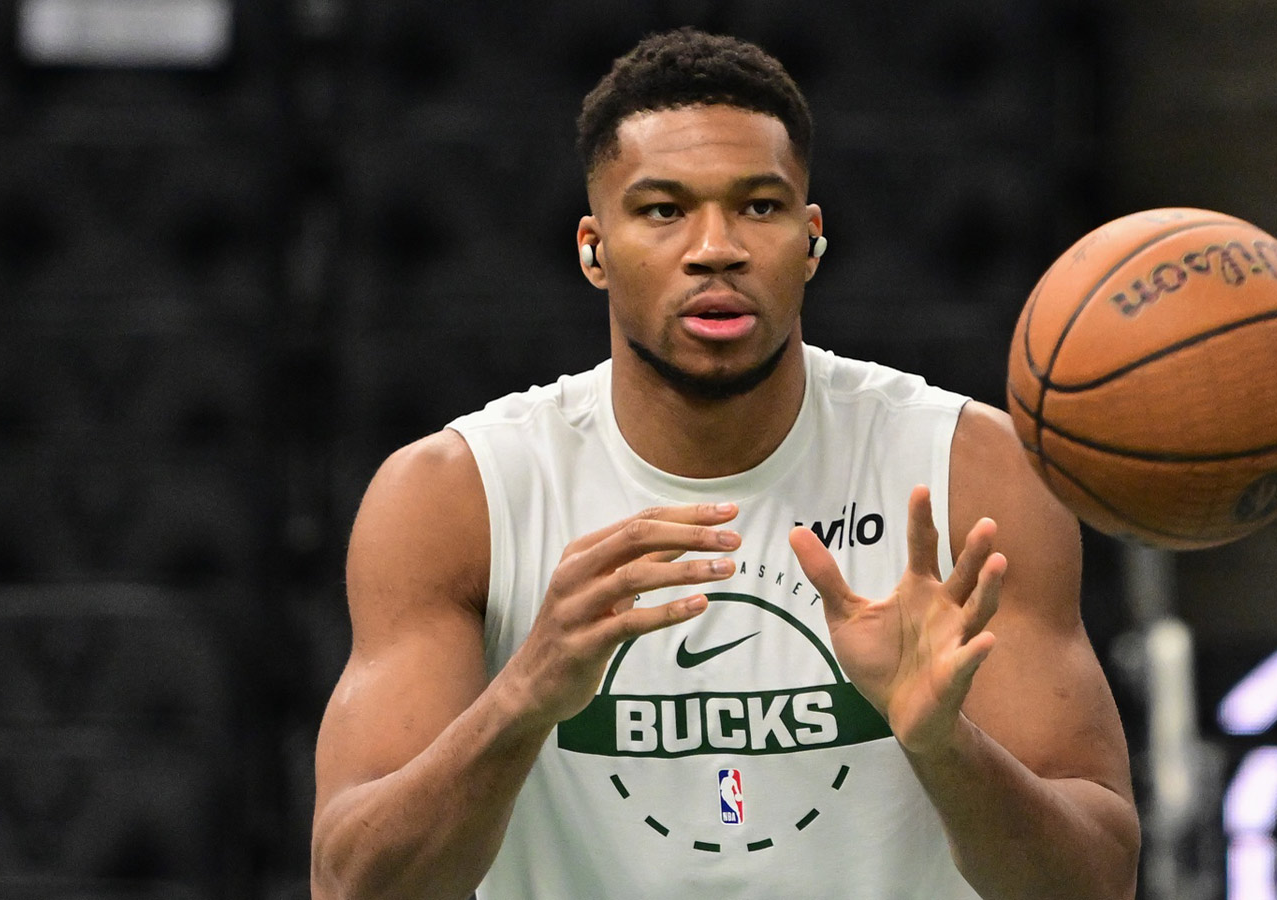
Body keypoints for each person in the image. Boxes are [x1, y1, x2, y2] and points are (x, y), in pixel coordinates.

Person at [311, 27, 1139, 900]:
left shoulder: (973, 471)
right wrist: (525, 694)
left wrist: (942, 743)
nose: (717, 248)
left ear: (812, 240)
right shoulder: (454, 496)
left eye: (760, 206)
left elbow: (1097, 883)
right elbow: (353, 885)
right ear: (593, 247)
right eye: (664, 210)